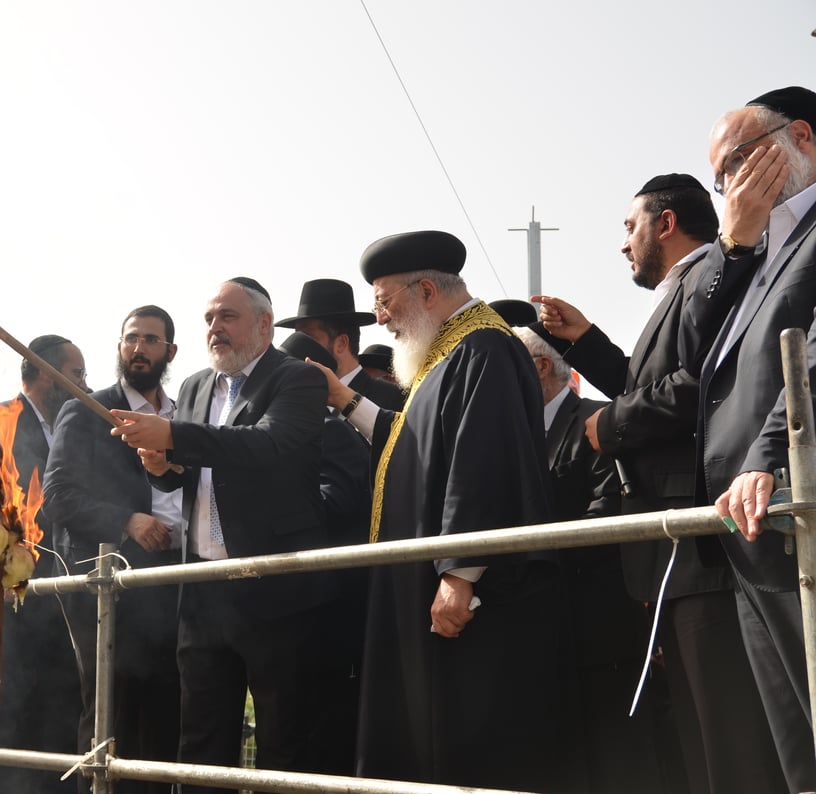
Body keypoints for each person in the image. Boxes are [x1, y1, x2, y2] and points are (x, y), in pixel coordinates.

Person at [534, 173, 786, 794]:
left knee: (729, 737)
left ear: (666, 223)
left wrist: (606, 426)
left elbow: (697, 387)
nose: (624, 244)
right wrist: (587, 342)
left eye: (629, 226)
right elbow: (653, 380)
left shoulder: (711, 275)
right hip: (673, 556)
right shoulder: (686, 285)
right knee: (700, 736)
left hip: (698, 550)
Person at [320, 230, 575, 791]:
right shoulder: (445, 355)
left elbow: (485, 464)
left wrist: (459, 573)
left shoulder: (484, 347)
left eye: (385, 303)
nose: (381, 322)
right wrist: (347, 402)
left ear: (427, 291)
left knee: (468, 747)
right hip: (428, 585)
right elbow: (413, 444)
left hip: (467, 593)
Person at [108, 278, 333, 793]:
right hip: (204, 588)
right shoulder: (193, 387)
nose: (215, 329)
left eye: (227, 317)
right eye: (209, 318)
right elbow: (189, 473)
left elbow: (267, 445)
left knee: (283, 741)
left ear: (264, 324)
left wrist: (172, 435)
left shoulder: (296, 379)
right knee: (202, 744)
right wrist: (162, 465)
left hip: (274, 586)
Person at [682, 87, 816, 793]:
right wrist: (732, 243)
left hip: (791, 503)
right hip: (745, 528)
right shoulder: (755, 244)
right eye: (718, 174)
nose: (728, 182)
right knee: (796, 745)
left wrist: (767, 457)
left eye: (737, 159)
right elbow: (695, 347)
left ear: (801, 137)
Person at [515, 323, 676, 793]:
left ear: (542, 367)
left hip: (601, 629)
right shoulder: (516, 434)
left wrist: (528, 555)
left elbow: (607, 517)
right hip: (546, 630)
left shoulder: (594, 422)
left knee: (620, 759)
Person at [40, 307, 183, 794]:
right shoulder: (85, 408)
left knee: (166, 712)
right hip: (110, 585)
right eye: (131, 339)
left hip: (177, 582)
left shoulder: (184, 417)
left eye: (151, 340)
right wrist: (126, 521)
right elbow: (56, 496)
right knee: (108, 713)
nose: (139, 348)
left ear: (171, 351)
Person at [0, 334, 88, 794]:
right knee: (15, 711)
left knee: (63, 712)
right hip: (13, 598)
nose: (85, 384)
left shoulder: (75, 431)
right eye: (76, 373)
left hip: (64, 598)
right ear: (45, 374)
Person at [277, 330, 371, 777]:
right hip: (302, 608)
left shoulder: (333, 431)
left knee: (322, 731)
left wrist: (269, 502)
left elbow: (338, 501)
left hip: (328, 609)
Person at [276, 278, 404, 410]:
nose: (299, 346)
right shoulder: (295, 399)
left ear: (341, 344)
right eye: (297, 337)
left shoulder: (392, 399)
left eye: (308, 338)